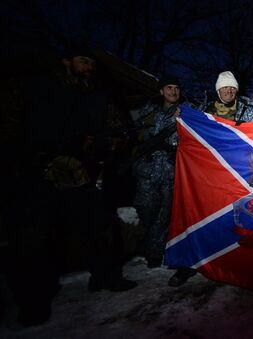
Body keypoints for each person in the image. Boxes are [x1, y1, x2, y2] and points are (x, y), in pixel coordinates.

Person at [7, 46, 136, 326]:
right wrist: (24, 158)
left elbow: (119, 130)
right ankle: (33, 301)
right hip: (38, 173)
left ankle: (106, 277)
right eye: (83, 60)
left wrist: (105, 147)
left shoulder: (98, 96)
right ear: (66, 61)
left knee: (100, 226)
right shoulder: (36, 87)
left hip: (81, 171)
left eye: (91, 61)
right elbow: (11, 124)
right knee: (32, 238)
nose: (89, 65)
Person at [132, 75, 181, 269]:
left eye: (176, 88)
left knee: (165, 214)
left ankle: (155, 252)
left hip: (171, 170)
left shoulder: (184, 111)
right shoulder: (148, 110)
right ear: (161, 91)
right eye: (169, 87)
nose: (173, 91)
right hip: (148, 169)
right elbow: (138, 134)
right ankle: (148, 243)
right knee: (145, 208)